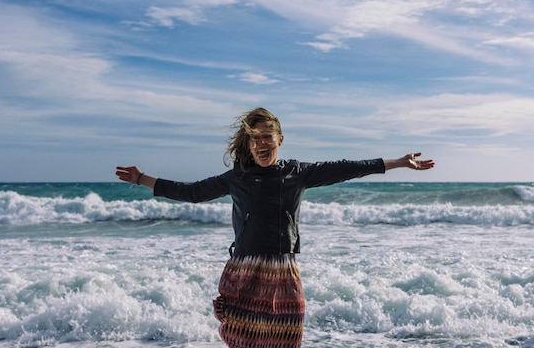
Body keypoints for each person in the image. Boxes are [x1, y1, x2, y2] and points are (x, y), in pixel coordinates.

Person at [115, 107, 434, 348]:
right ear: (249, 145)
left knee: (286, 339)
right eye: (255, 139)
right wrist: (143, 179)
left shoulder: (297, 173)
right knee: (242, 340)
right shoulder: (237, 177)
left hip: (284, 272)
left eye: (267, 136)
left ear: (279, 139)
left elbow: (348, 169)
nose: (262, 143)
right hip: (246, 271)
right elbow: (192, 192)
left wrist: (399, 162)